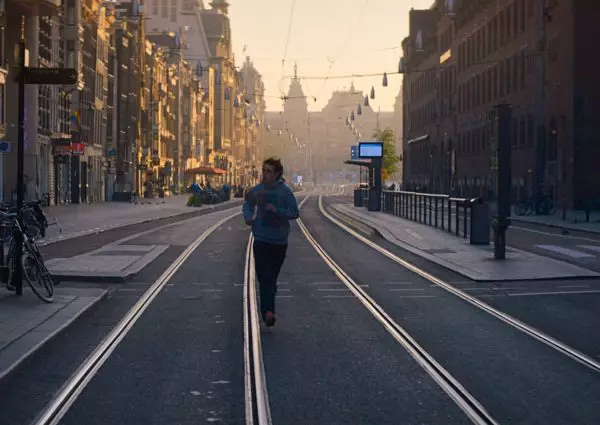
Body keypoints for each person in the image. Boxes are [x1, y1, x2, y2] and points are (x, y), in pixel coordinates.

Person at [243, 157, 299, 327]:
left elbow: (295, 212)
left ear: (276, 174)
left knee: (271, 279)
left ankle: (268, 309)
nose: (265, 174)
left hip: (279, 242)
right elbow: (247, 205)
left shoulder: (285, 192)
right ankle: (268, 312)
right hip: (261, 239)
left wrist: (278, 211)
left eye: (269, 171)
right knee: (265, 277)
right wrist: (248, 217)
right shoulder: (257, 191)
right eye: (264, 170)